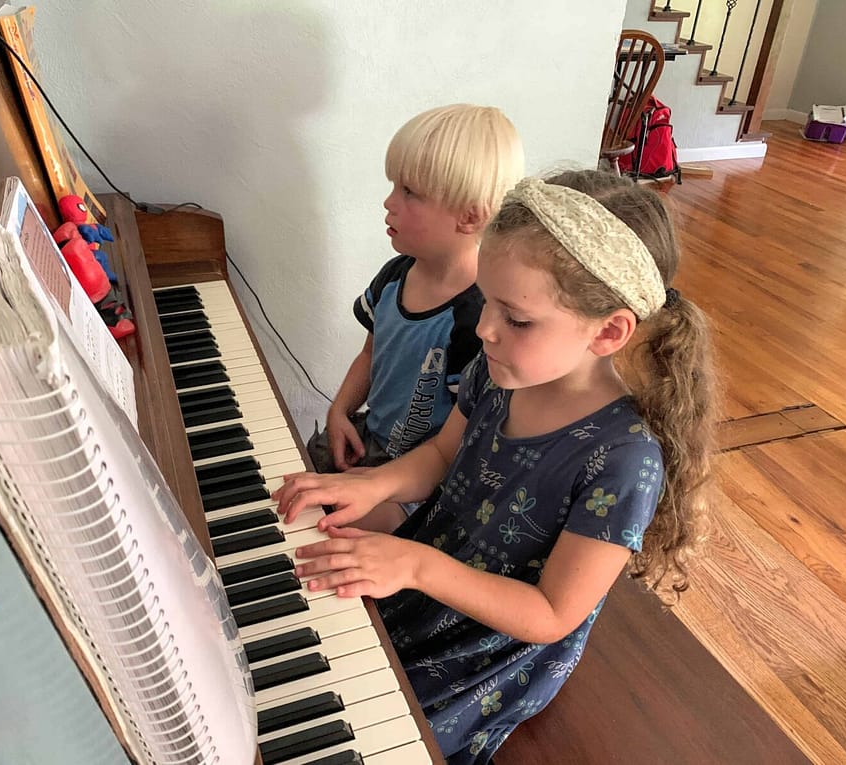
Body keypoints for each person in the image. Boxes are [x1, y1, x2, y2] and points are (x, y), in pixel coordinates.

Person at [274, 170, 719, 764]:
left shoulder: (624, 459)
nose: (484, 328)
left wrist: (416, 565)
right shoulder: (495, 370)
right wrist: (371, 484)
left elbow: (553, 614)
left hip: (489, 643)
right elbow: (442, 455)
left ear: (609, 331)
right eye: (487, 301)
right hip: (431, 567)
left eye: (517, 318)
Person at [306, 103, 524, 529]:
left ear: (470, 216)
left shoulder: (476, 318)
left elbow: (463, 442)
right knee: (292, 483)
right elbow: (370, 354)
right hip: (371, 442)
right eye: (394, 187)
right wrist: (340, 411)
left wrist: (383, 483)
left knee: (331, 534)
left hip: (427, 480)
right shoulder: (394, 275)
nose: (389, 202)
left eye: (410, 192)